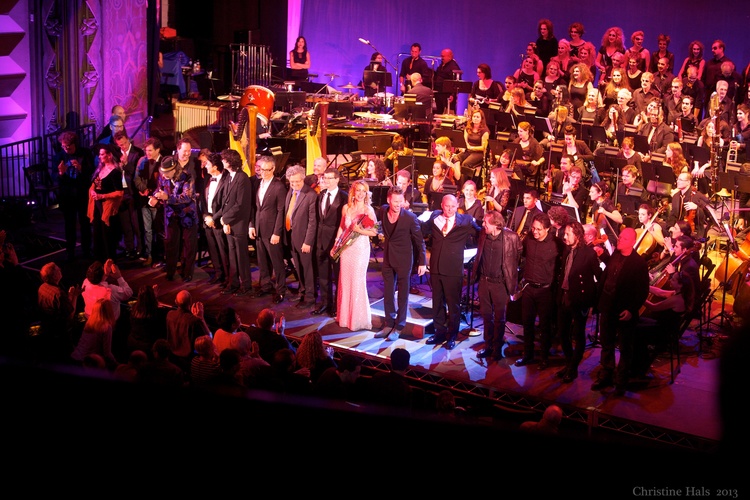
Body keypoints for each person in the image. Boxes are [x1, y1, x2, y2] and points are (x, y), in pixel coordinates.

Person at [592, 227, 649, 396]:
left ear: (632, 242)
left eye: (624, 239)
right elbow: (609, 275)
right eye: (620, 237)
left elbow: (642, 290)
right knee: (606, 343)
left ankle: (621, 381)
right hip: (607, 307)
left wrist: (631, 309)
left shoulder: (638, 263)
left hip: (623, 311)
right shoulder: (615, 255)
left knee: (625, 348)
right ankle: (606, 375)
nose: (619, 240)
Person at [421, 194, 481, 350]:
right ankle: (439, 333)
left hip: (453, 270)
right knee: (437, 303)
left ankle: (452, 336)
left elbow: (480, 233)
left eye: (453, 206)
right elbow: (421, 229)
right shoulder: (435, 217)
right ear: (442, 205)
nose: (449, 209)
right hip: (436, 268)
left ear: (457, 206)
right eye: (447, 206)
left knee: (453, 305)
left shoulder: (466, 221)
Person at [374, 186, 427, 340]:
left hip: (404, 259)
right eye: (395, 201)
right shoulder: (383, 211)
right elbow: (376, 225)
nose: (398, 204)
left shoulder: (410, 217)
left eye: (400, 201)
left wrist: (422, 262)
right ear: (388, 200)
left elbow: (419, 241)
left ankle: (399, 326)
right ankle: (389, 324)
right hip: (388, 258)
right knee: (388, 293)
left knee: (403, 294)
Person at [472, 210, 522, 361]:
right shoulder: (483, 234)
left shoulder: (511, 238)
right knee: (486, 316)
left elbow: (519, 257)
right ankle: (488, 346)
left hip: (500, 284)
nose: (483, 224)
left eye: (486, 222)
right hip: (484, 282)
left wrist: (513, 279)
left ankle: (497, 348)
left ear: (496, 225)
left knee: (500, 318)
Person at [555, 221, 601, 382]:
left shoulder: (589, 254)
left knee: (578, 334)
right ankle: (569, 363)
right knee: (563, 333)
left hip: (579, 300)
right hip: (564, 297)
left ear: (578, 235)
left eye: (568, 234)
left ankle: (573, 367)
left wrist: (591, 299)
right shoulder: (567, 249)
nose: (565, 237)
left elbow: (599, 276)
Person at [515, 212, 559, 369]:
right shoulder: (529, 239)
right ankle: (528, 354)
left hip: (545, 291)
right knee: (527, 324)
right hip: (529, 288)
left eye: (539, 229)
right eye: (533, 228)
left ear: (547, 229)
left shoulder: (556, 244)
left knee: (545, 326)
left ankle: (544, 358)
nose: (535, 232)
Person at [334, 180, 378, 332]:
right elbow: (342, 227)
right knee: (345, 281)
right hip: (346, 249)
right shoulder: (346, 208)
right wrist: (336, 244)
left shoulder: (368, 210)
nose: (360, 194)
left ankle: (357, 319)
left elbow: (374, 232)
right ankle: (345, 318)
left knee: (357, 281)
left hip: (360, 249)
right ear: (353, 192)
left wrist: (359, 230)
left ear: (366, 193)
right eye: (358, 190)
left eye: (363, 191)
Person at [151, 155, 198, 282]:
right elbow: (158, 189)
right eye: (163, 172)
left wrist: (168, 198)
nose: (164, 175)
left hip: (187, 215)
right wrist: (155, 197)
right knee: (170, 243)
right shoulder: (163, 176)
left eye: (167, 172)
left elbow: (186, 197)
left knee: (188, 246)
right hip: (171, 214)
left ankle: (187, 273)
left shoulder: (187, 177)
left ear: (174, 169)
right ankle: (170, 271)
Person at [215, 148, 255, 296]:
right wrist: (223, 220)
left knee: (241, 256)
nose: (222, 161)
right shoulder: (228, 177)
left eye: (224, 159)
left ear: (230, 161)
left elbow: (240, 204)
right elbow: (226, 202)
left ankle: (246, 285)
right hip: (230, 223)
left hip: (239, 223)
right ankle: (233, 283)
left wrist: (225, 219)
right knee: (232, 256)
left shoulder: (242, 178)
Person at [250, 155, 287, 303]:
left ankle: (281, 290)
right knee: (262, 261)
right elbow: (255, 208)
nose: (263, 173)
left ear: (273, 169)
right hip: (259, 229)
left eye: (267, 170)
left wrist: (277, 232)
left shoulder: (279, 186)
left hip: (272, 231)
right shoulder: (258, 184)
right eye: (261, 170)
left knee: (277, 262)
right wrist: (252, 225)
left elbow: (281, 211)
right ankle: (265, 286)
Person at [314, 167, 348, 317]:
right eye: (324, 178)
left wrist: (341, 241)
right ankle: (325, 303)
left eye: (329, 178)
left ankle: (337, 305)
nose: (326, 181)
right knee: (323, 275)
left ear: (337, 179)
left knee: (337, 275)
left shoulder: (344, 197)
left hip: (336, 241)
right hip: (321, 240)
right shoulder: (321, 195)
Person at [55, 131, 94, 261]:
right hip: (68, 196)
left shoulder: (85, 153)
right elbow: (55, 177)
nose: (66, 149)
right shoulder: (60, 156)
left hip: (82, 194)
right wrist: (61, 173)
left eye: (68, 147)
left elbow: (92, 172)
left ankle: (86, 250)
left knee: (85, 223)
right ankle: (70, 251)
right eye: (64, 146)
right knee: (69, 225)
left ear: (74, 144)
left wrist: (81, 168)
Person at [284, 165, 318, 309]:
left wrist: (308, 242)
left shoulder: (310, 195)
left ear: (303, 179)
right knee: (298, 267)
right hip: (292, 236)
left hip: (304, 239)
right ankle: (302, 291)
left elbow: (312, 221)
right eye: (292, 182)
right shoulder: (291, 191)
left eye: (297, 181)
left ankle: (310, 297)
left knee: (307, 269)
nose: (294, 184)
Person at [37, 262, 80, 362]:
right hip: (61, 332)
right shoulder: (58, 293)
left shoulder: (42, 287)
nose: (60, 269)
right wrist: (75, 296)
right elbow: (70, 314)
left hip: (48, 330)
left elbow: (59, 307)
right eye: (57, 269)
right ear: (54, 276)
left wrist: (69, 296)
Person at [88, 144, 124, 261]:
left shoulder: (115, 172)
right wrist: (92, 191)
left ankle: (110, 261)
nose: (99, 156)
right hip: (98, 206)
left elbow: (119, 193)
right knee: (97, 233)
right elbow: (94, 184)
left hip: (107, 207)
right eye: (99, 154)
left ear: (109, 155)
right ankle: (99, 261)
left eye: (102, 154)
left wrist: (102, 196)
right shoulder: (100, 168)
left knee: (107, 235)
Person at [113, 130, 144, 259]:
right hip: (122, 192)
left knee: (136, 223)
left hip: (133, 192)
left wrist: (126, 164)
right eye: (120, 145)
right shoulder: (116, 154)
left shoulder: (137, 153)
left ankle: (140, 248)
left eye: (124, 143)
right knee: (125, 223)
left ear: (128, 139)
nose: (123, 146)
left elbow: (138, 174)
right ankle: (129, 248)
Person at [134, 137, 163, 266]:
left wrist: (153, 194)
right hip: (144, 200)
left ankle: (160, 256)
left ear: (158, 150)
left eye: (150, 150)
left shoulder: (164, 162)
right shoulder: (142, 160)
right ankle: (149, 255)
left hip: (158, 201)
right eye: (146, 150)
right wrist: (144, 189)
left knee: (159, 230)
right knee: (147, 230)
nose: (147, 153)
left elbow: (165, 183)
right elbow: (136, 178)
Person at [201, 152, 229, 285]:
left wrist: (214, 218)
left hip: (219, 221)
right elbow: (203, 200)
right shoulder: (207, 179)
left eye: (207, 164)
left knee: (223, 251)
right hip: (208, 220)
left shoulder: (226, 180)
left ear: (215, 167)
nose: (205, 166)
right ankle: (218, 274)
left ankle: (228, 277)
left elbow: (226, 204)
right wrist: (206, 216)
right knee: (213, 250)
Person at [166, 289, 211, 372]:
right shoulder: (194, 321)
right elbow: (208, 338)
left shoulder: (169, 315)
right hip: (188, 360)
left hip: (172, 356)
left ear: (175, 302)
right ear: (190, 302)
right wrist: (201, 318)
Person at [71, 298, 118, 369]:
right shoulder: (106, 327)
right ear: (109, 311)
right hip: (88, 363)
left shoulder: (89, 323)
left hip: (76, 357)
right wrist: (117, 364)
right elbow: (107, 353)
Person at [666, 172, 710, 239]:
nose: (677, 181)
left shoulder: (697, 196)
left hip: (693, 231)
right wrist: (670, 226)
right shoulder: (676, 196)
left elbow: (706, 215)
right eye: (678, 179)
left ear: (688, 182)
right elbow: (673, 214)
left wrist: (696, 208)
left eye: (681, 180)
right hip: (678, 228)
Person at [126, 284, 165, 356]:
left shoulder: (134, 308)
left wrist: (153, 296)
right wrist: (154, 296)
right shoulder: (155, 312)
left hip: (132, 342)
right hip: (147, 346)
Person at [458, 108, 490, 179]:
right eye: (474, 116)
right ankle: (457, 179)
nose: (475, 118)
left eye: (477, 117)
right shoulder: (468, 128)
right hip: (468, 150)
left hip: (479, 153)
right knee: (455, 159)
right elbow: (465, 141)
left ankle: (464, 183)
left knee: (465, 164)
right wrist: (463, 147)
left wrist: (471, 148)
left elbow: (484, 147)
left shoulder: (485, 131)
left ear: (481, 119)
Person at [589, 180, 621, 249]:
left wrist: (605, 212)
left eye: (592, 192)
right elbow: (594, 222)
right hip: (600, 234)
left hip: (609, 237)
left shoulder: (608, 204)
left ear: (600, 193)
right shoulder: (595, 203)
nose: (589, 194)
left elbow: (620, 219)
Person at [434, 48, 461, 114]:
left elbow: (456, 82)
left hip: (447, 95)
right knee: (439, 112)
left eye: (443, 56)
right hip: (439, 93)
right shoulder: (442, 65)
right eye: (441, 56)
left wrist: (453, 94)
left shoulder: (454, 67)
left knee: (449, 113)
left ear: (449, 56)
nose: (441, 58)